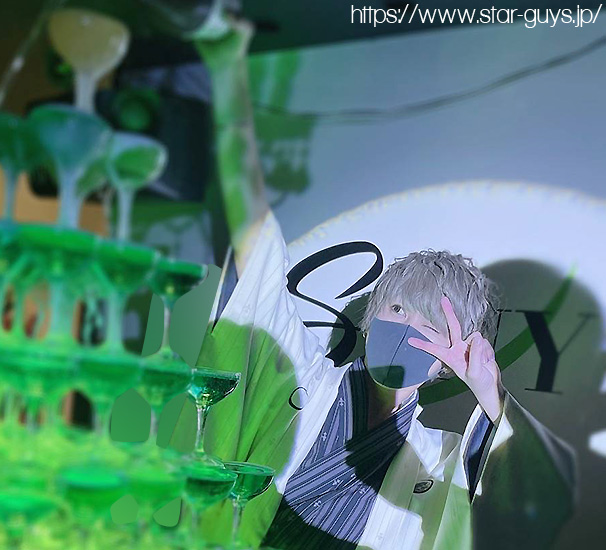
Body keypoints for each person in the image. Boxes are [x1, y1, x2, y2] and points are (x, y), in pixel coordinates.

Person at [189, 17, 577, 550]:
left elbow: (538, 504)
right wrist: (228, 76)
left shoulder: (442, 460)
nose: (407, 328)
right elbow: (255, 241)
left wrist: (492, 395)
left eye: (431, 324)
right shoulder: (298, 374)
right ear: (371, 318)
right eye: (397, 309)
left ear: (449, 361)